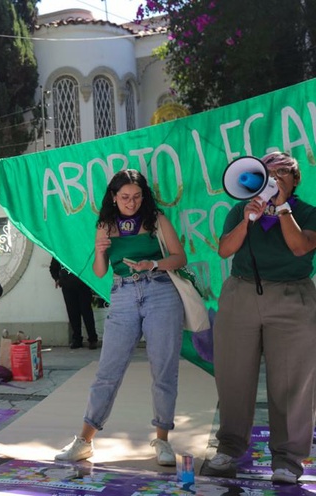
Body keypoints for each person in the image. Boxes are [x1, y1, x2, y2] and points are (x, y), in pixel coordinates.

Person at [54, 169, 186, 466]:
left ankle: (162, 440)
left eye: (137, 196)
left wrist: (152, 264)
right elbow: (100, 272)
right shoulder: (105, 224)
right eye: (125, 197)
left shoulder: (156, 219)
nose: (131, 202)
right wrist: (101, 251)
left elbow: (180, 258)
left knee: (164, 370)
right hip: (123, 293)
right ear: (113, 197)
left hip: (161, 291)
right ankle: (84, 441)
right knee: (107, 371)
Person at [203, 152, 316, 485]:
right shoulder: (241, 209)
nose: (274, 178)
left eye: (282, 172)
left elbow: (300, 247)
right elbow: (225, 249)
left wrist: (281, 208)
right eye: (268, 172)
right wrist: (247, 219)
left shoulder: (307, 212)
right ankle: (229, 448)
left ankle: (288, 459)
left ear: (295, 179)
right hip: (241, 293)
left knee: (292, 382)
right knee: (233, 376)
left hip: (292, 298)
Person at [49, 257, 98, 349]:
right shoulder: (60, 251)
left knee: (86, 312)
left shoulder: (79, 249)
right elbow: (53, 267)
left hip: (83, 285)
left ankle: (92, 339)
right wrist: (57, 279)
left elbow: (89, 262)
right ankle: (77, 339)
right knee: (72, 313)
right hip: (67, 286)